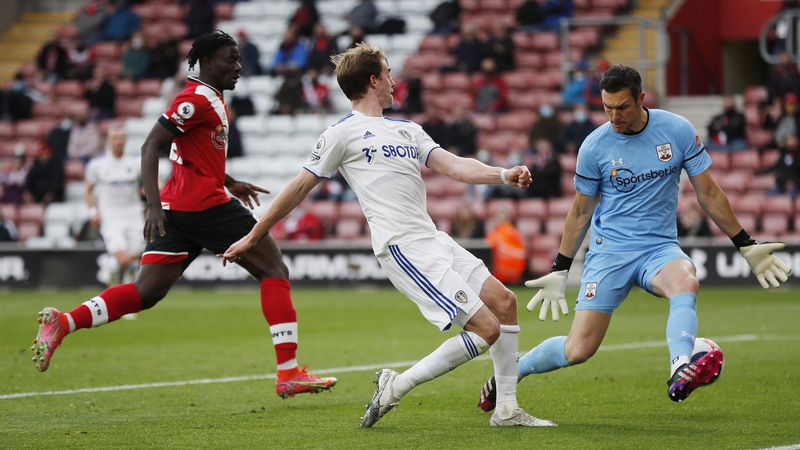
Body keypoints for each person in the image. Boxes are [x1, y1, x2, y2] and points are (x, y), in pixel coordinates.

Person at [221, 42, 553, 428]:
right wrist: (253, 236)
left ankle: (507, 410)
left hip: (433, 238)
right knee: (487, 329)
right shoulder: (340, 134)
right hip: (402, 248)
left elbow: (455, 166)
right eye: (389, 73)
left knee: (506, 302)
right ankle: (394, 387)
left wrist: (502, 174)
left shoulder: (408, 129)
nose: (395, 80)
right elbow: (298, 188)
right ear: (374, 79)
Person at [31, 31, 336, 401]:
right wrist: (152, 204)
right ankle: (288, 372)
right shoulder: (196, 100)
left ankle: (63, 323)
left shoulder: (210, 99)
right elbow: (150, 145)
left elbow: (190, 154)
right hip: (201, 206)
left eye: (239, 59)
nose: (238, 67)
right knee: (274, 270)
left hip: (183, 208)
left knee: (146, 293)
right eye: (231, 60)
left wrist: (229, 181)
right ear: (208, 63)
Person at [476, 65, 792, 414]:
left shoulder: (677, 130)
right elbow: (580, 212)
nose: (614, 116)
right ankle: (512, 371)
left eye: (622, 107)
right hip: (609, 253)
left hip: (659, 248)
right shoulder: (594, 146)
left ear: (641, 99)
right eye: (607, 107)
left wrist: (745, 243)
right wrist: (560, 268)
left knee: (686, 281)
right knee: (578, 350)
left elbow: (710, 195)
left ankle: (680, 367)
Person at [84, 126, 145, 286]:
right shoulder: (97, 165)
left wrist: (157, 188)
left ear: (126, 140)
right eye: (115, 138)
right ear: (109, 141)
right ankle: (110, 269)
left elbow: (155, 182)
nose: (119, 141)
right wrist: (93, 212)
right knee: (124, 259)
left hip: (133, 213)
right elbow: (88, 191)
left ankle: (126, 295)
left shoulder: (136, 162)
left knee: (136, 258)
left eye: (121, 137)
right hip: (110, 216)